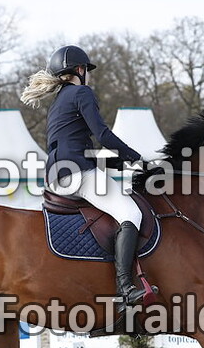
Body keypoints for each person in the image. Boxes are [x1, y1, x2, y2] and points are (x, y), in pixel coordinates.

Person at [21, 45, 152, 307]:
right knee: (131, 214)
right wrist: (136, 158)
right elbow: (103, 135)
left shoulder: (59, 101)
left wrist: (121, 163)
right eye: (87, 71)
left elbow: (74, 145)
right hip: (76, 173)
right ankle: (126, 287)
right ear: (80, 70)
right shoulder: (82, 92)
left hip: (57, 175)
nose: (88, 75)